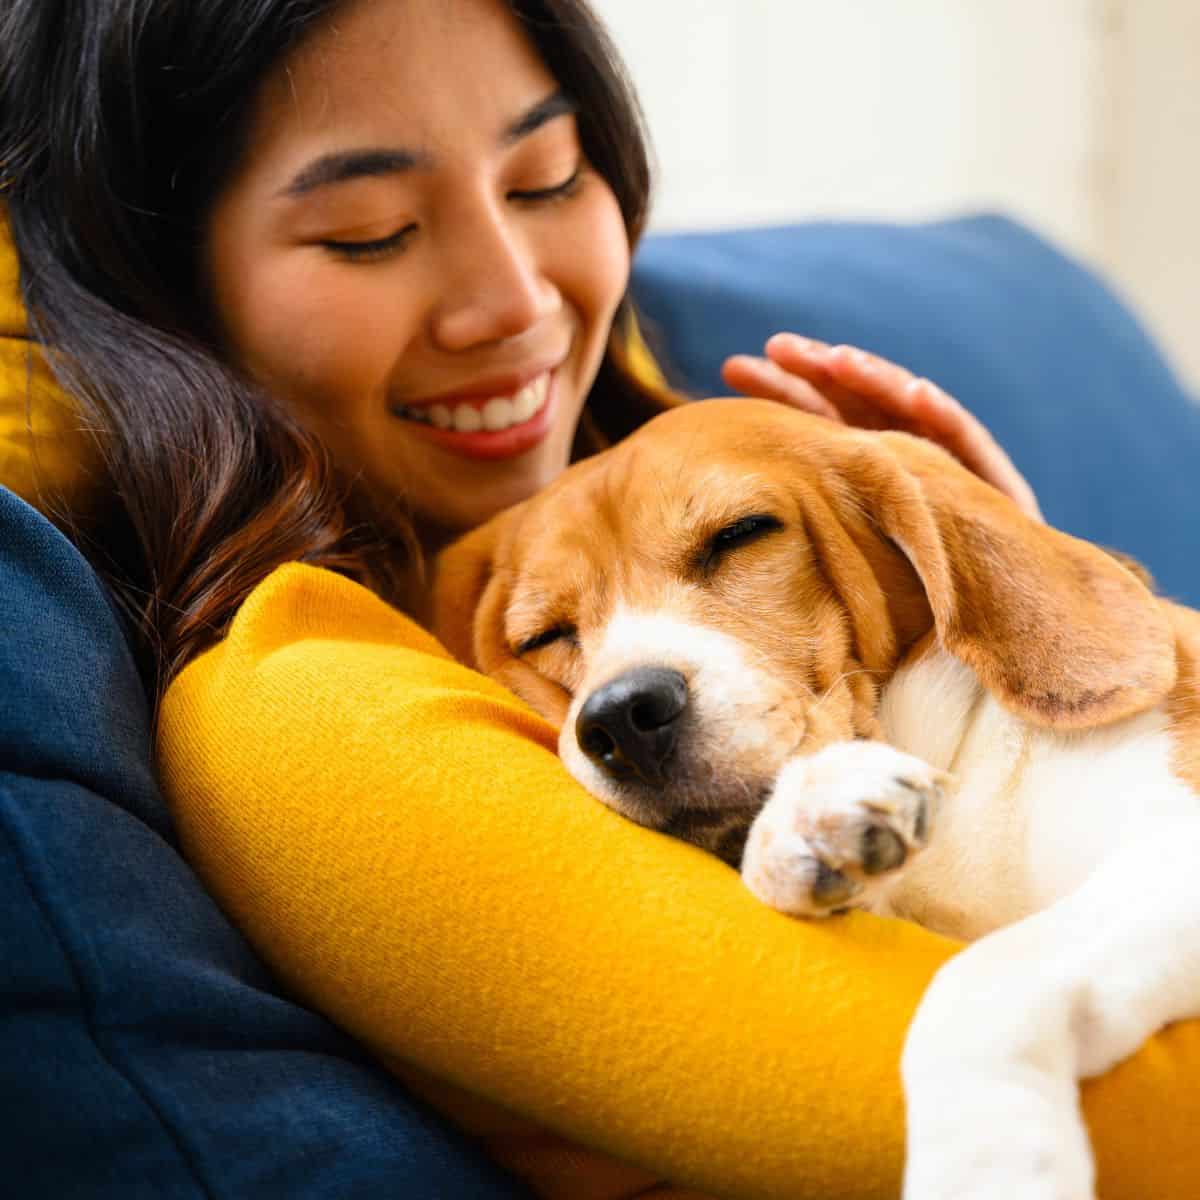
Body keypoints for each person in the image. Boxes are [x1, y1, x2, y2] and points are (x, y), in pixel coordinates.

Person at [0, 0, 1104, 1196]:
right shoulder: (306, 703)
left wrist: (998, 600)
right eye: (370, 232)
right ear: (161, 290)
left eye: (545, 178)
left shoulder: (716, 462)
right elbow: (963, 1122)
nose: (518, 302)